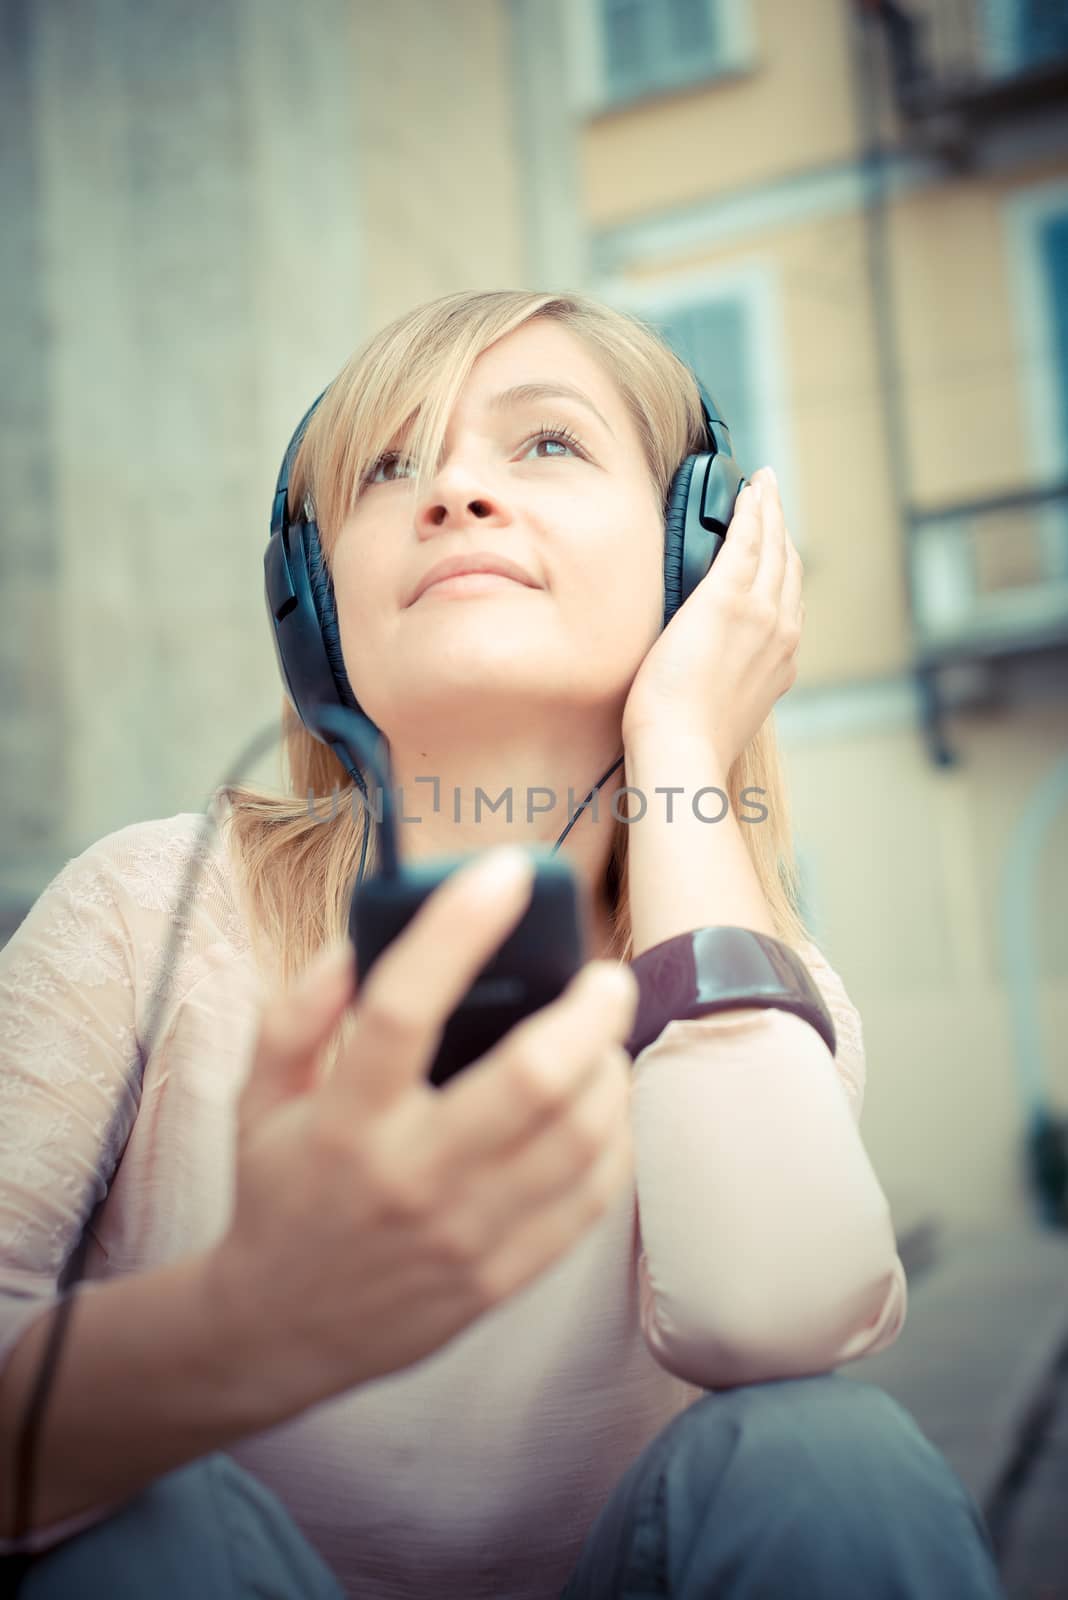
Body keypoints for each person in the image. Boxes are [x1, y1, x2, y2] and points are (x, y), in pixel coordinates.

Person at [0, 289, 1006, 1598]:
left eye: (545, 445)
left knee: (828, 1454)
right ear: (312, 608)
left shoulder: (755, 982)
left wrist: (684, 749)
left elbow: (779, 1319)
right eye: (388, 466)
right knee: (146, 1533)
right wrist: (245, 1324)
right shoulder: (149, 907)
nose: (456, 492)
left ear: (693, 562)